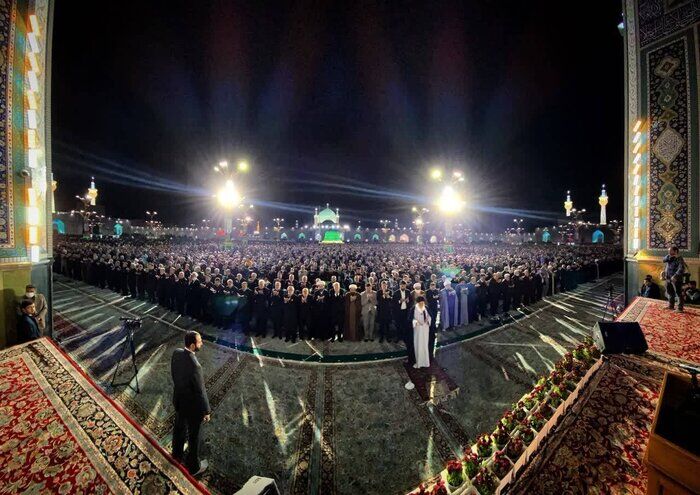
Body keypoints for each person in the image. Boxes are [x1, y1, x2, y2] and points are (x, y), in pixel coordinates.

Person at [171, 331, 210, 476]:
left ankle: (176, 454)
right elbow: (200, 391)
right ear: (193, 345)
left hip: (179, 400)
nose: (202, 343)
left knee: (179, 428)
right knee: (194, 436)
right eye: (200, 342)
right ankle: (193, 467)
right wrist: (206, 411)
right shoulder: (195, 366)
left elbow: (174, 375)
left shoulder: (176, 353)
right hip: (193, 408)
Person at [662, 246, 686, 312]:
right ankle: (671, 306)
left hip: (676, 279)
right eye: (668, 251)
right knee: (670, 292)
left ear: (675, 251)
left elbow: (681, 269)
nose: (669, 252)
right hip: (668, 278)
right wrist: (669, 256)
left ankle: (680, 308)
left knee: (678, 293)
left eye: (670, 251)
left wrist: (675, 276)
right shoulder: (669, 257)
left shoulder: (679, 258)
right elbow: (663, 260)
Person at [410, 296, 431, 368]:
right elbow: (410, 318)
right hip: (418, 329)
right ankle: (419, 363)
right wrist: (415, 322)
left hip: (425, 329)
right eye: (420, 303)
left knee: (425, 345)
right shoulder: (414, 308)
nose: (422, 304)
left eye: (423, 302)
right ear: (417, 302)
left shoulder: (426, 307)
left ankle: (426, 362)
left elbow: (431, 316)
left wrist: (428, 320)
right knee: (418, 345)